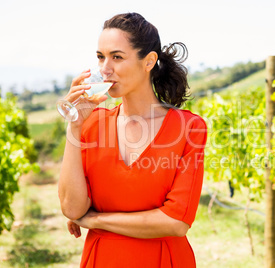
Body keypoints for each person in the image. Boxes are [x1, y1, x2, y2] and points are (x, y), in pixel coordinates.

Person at [58, 12, 207, 267]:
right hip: (102, 259)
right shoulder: (91, 124)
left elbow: (176, 222)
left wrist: (95, 220)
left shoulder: (189, 128)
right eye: (100, 57)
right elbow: (72, 210)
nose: (105, 69)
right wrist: (75, 126)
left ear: (148, 61)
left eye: (117, 57)